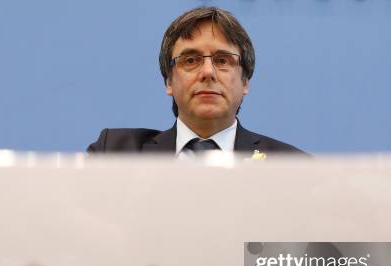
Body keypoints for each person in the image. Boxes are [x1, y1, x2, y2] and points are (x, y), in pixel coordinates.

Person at [87, 6, 306, 157]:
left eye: (222, 60)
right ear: (169, 82)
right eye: (190, 60)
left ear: (245, 82)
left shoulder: (291, 165)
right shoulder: (116, 152)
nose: (208, 72)